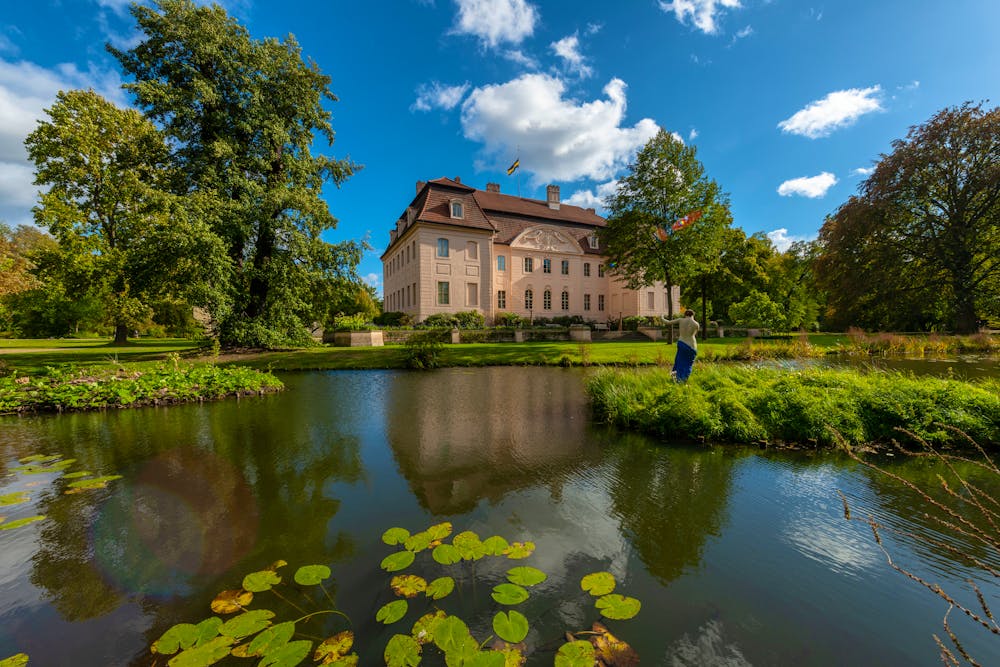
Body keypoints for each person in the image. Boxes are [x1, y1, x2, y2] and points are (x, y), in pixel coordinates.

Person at [665, 309, 700, 381]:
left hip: (681, 343)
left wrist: (662, 317)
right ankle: (683, 380)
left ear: (685, 315)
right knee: (688, 364)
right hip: (691, 346)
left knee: (678, 362)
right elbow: (694, 334)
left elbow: (668, 322)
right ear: (693, 315)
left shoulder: (681, 320)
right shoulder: (696, 324)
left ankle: (675, 378)